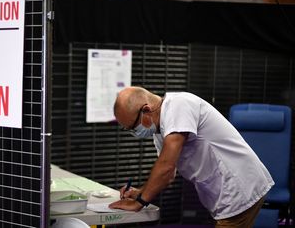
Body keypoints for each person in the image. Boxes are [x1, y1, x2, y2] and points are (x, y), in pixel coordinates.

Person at [109, 86, 274, 228]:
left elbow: (165, 168)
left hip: (239, 187)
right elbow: (168, 175)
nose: (134, 133)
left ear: (146, 110)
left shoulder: (179, 106)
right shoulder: (161, 131)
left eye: (132, 127)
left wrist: (139, 202)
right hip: (223, 193)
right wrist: (140, 192)